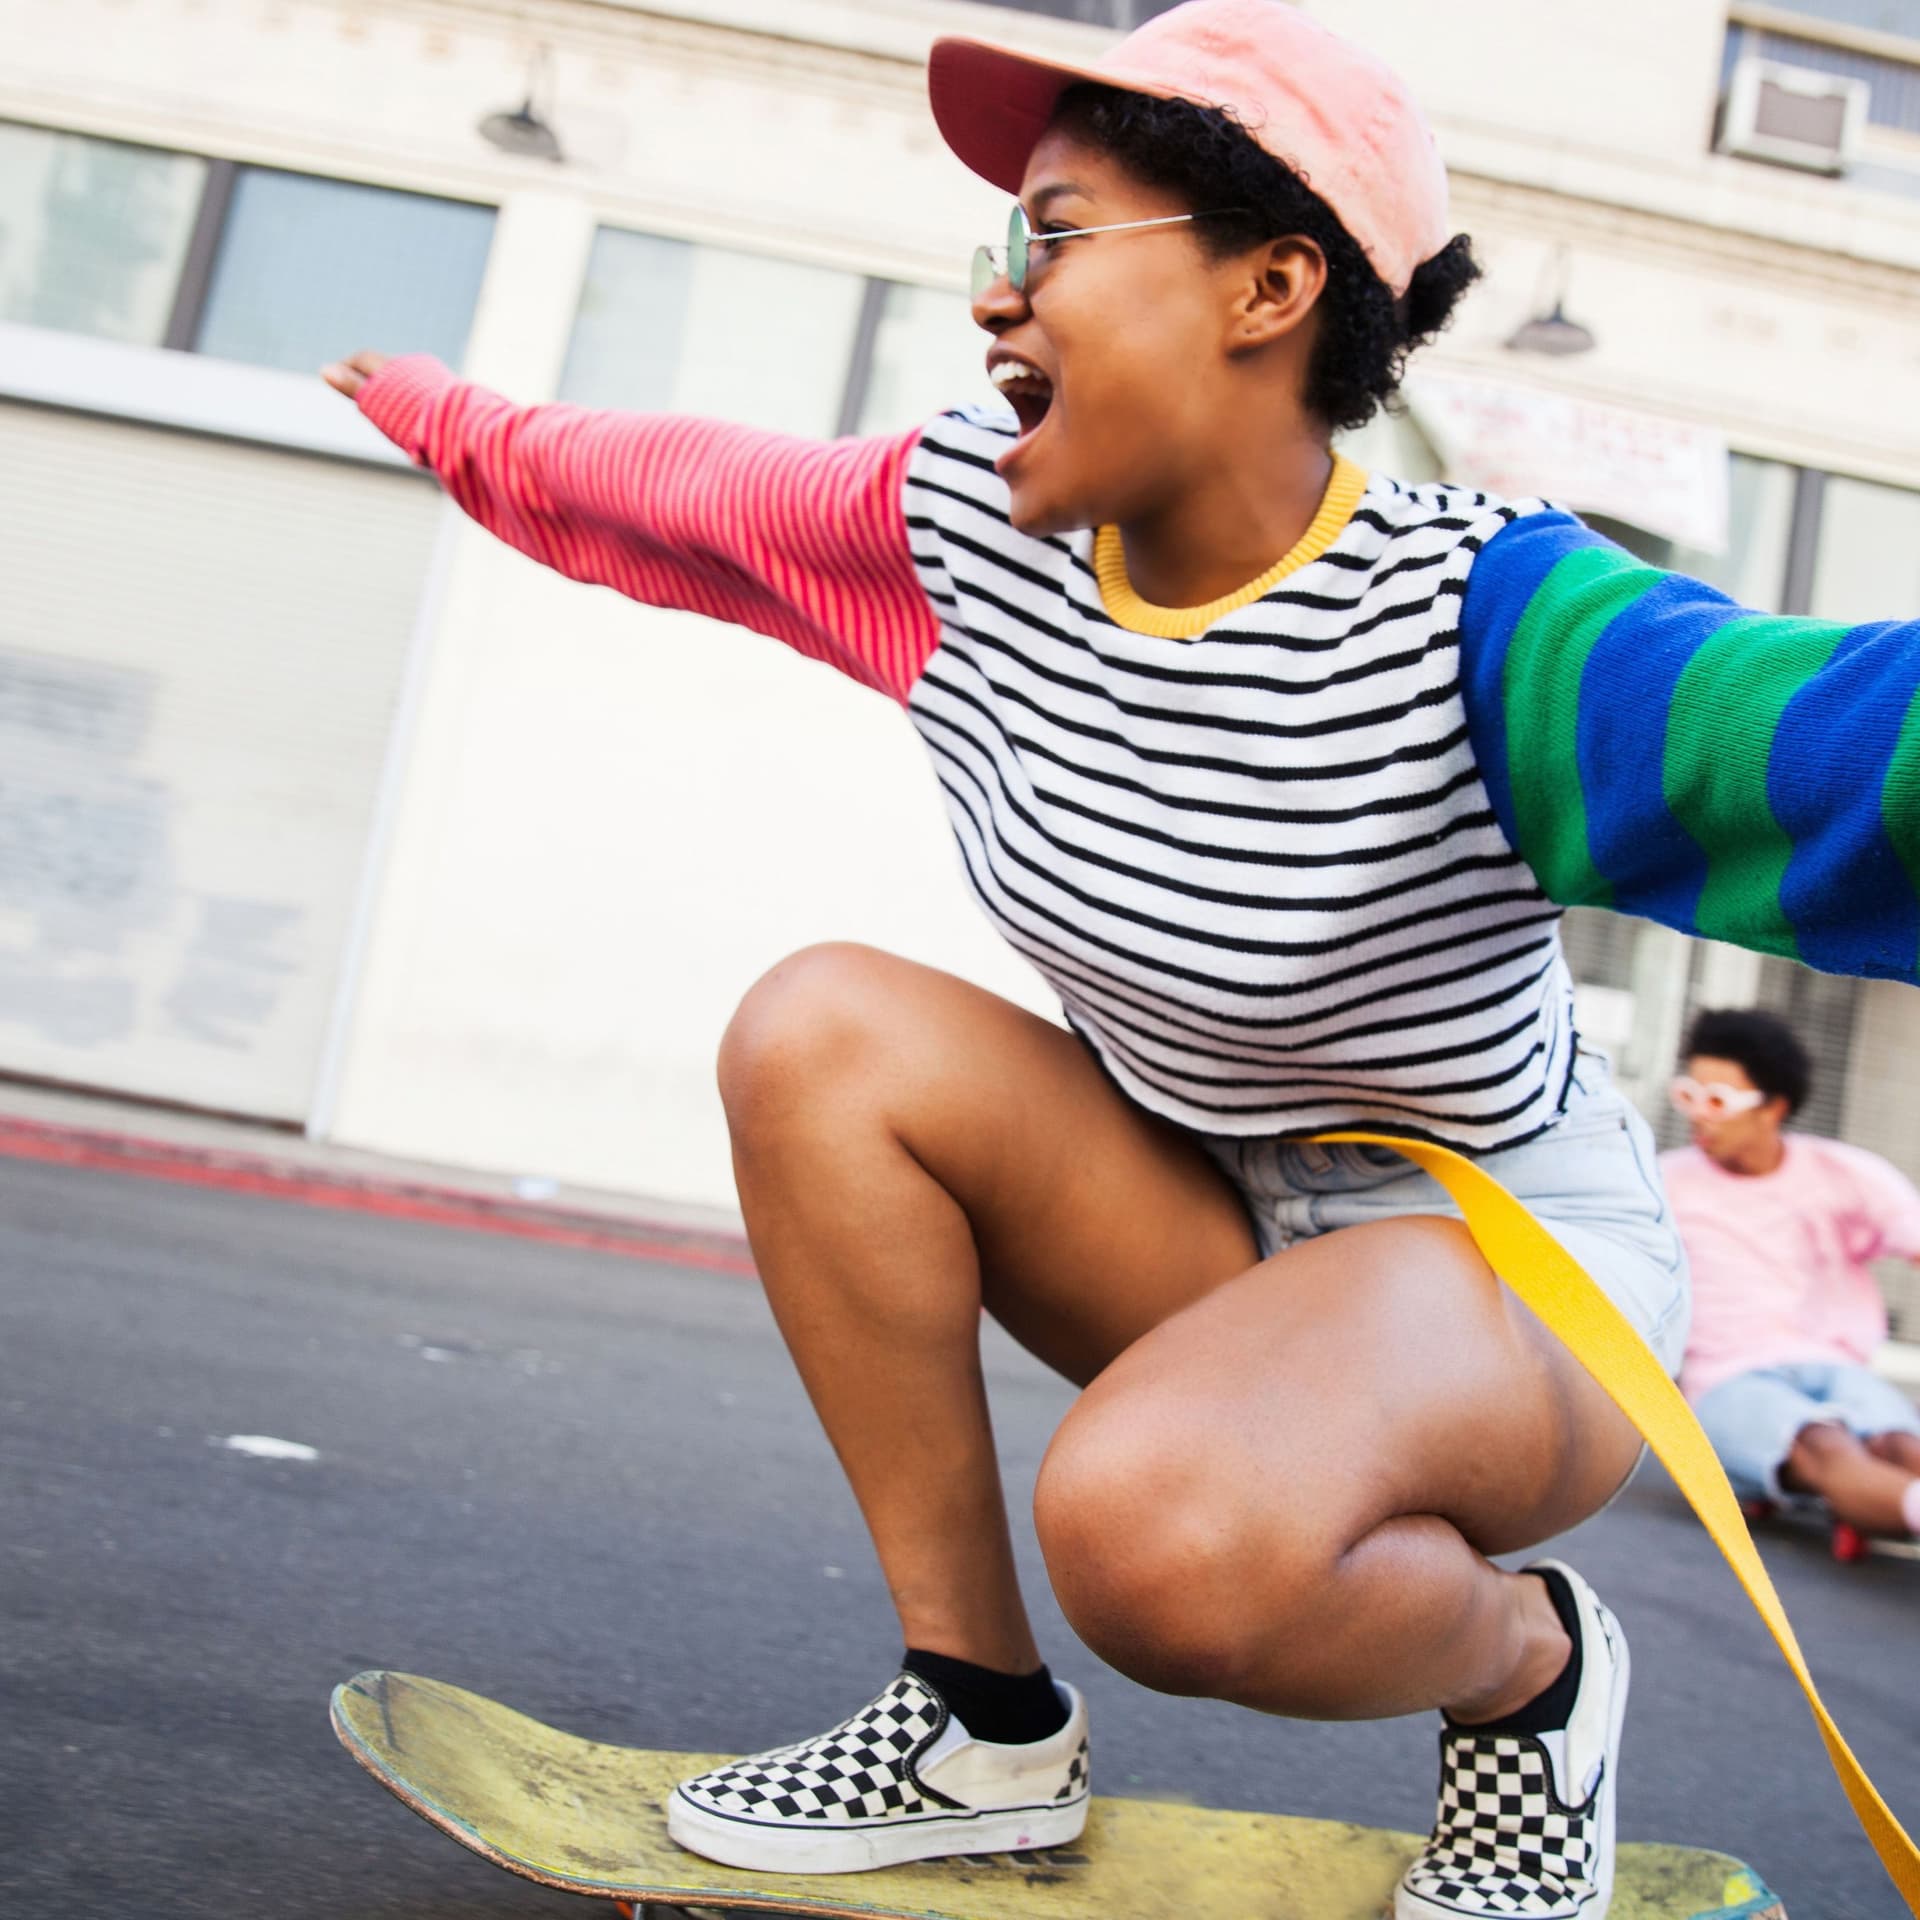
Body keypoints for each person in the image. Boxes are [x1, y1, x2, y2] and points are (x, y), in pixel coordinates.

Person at [321, 3, 1920, 1913]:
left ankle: (1529, 1668)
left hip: (1515, 1272)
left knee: (1158, 1542)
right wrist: (441, 410)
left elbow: (1831, 744)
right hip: (1212, 1212)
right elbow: (656, 483)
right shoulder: (956, 538)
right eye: (998, 245)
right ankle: (975, 1727)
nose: (997, 298)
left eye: (1056, 237)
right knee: (825, 1033)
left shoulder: (1476, 620)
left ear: (1269, 286)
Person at [1665, 1008, 1920, 1542]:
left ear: (1772, 1107)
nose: (1699, 1116)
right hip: (1729, 1379)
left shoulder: (1841, 1172)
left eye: (1718, 1101)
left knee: (1903, 1446)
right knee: (1824, 1444)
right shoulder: (1663, 1182)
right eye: (1689, 1095)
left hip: (1836, 1365)